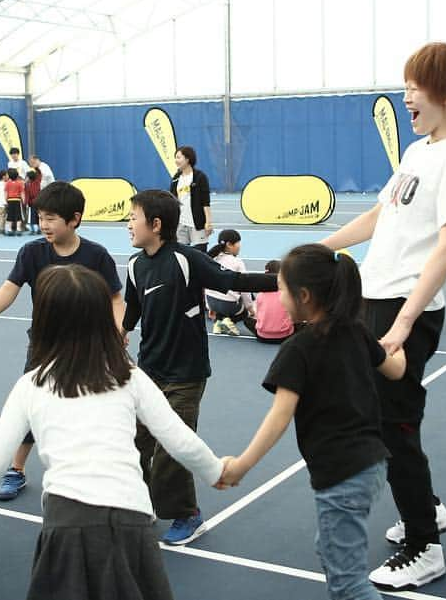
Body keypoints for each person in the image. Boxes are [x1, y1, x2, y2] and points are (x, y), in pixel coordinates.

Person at [0, 265, 230, 600]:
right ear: (102, 318)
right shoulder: (129, 376)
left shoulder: (32, 384)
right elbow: (179, 438)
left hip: (68, 524)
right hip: (133, 520)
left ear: (44, 320)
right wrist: (215, 471)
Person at [319, 42, 446, 590]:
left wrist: (405, 322)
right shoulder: (418, 153)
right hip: (376, 299)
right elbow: (378, 215)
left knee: (394, 424)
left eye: (416, 85)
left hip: (403, 308)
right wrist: (323, 249)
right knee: (380, 418)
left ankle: (424, 545)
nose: (406, 95)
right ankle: (428, 508)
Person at [218, 245, 405, 600]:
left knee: (348, 584)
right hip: (371, 464)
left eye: (281, 288)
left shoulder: (298, 348)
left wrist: (241, 465)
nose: (277, 294)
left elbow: (279, 417)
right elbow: (395, 370)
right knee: (333, 547)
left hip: (342, 474)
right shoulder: (357, 331)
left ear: (303, 296)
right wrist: (398, 340)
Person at [122, 189, 275, 544]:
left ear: (156, 224)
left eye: (133, 217)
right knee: (134, 442)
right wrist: (118, 332)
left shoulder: (186, 259)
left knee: (171, 449)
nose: (127, 223)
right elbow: (131, 312)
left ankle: (188, 515)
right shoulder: (135, 265)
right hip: (149, 374)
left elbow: (234, 282)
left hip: (186, 375)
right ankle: (140, 503)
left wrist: (282, 281)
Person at [0, 181, 123, 501]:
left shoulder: (96, 256)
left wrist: (118, 333)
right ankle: (16, 469)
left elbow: (115, 299)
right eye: (40, 217)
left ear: (75, 219)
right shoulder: (32, 252)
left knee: (90, 409)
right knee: (30, 408)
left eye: (51, 218)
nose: (43, 224)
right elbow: (10, 288)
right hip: (43, 347)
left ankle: (92, 471)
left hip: (89, 348)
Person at [205, 229, 254, 337]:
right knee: (244, 307)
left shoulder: (212, 259)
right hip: (228, 306)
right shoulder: (238, 262)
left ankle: (218, 321)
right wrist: (250, 308)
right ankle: (228, 320)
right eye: (238, 243)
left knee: (224, 295)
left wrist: (208, 305)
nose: (240, 246)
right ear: (229, 245)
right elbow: (245, 289)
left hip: (211, 302)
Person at [241, 260, 298, 344]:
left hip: (262, 337)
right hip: (285, 337)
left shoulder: (261, 294)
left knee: (247, 320)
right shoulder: (288, 294)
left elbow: (259, 315)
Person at [169, 145, 212, 252]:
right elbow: (172, 201)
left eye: (179, 157)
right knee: (180, 254)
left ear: (187, 159)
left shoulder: (200, 177)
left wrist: (208, 222)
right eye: (175, 158)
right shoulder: (176, 178)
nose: (176, 160)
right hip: (180, 223)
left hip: (197, 223)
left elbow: (205, 202)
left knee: (200, 254)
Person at [3, 168, 25, 236]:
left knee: (10, 215)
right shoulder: (20, 183)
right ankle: (18, 229)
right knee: (19, 215)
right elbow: (22, 193)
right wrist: (23, 200)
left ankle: (9, 230)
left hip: (10, 200)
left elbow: (6, 192)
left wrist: (6, 200)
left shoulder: (7, 183)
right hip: (17, 200)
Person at [24, 169, 41, 235]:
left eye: (27, 176)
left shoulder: (27, 185)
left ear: (29, 178)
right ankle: (39, 229)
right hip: (38, 202)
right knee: (38, 216)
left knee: (31, 217)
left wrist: (25, 203)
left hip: (32, 203)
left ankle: (33, 230)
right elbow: (39, 175)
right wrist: (37, 168)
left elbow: (27, 195)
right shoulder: (37, 182)